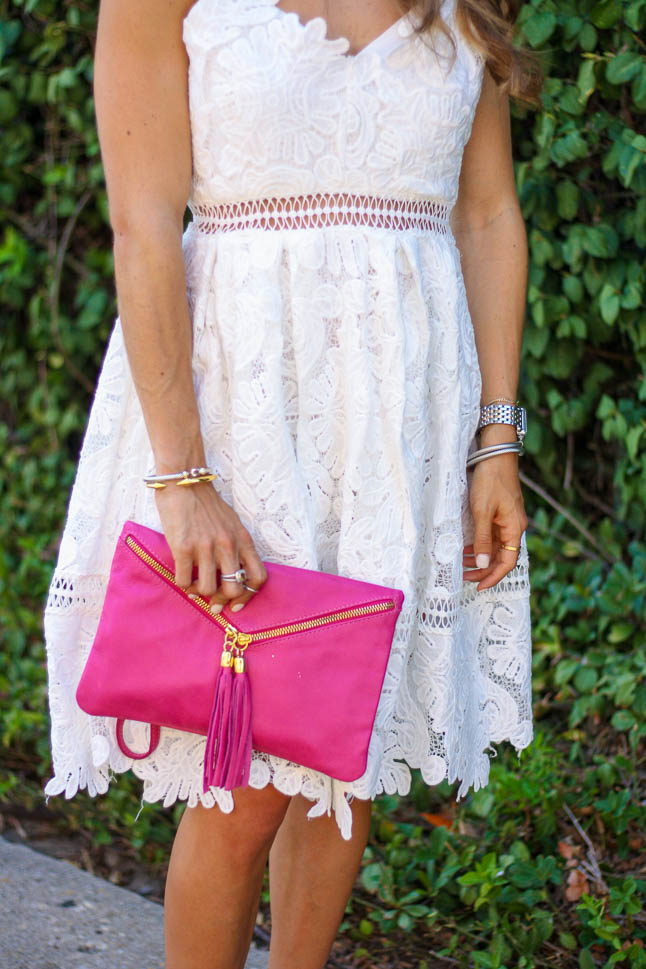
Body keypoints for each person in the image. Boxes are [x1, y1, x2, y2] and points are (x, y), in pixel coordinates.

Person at [43, 0, 541, 966]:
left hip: (403, 432)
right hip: (240, 415)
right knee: (247, 782)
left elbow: (486, 213)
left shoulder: (466, 5)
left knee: (344, 751)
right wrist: (183, 478)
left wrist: (496, 440)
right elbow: (142, 226)